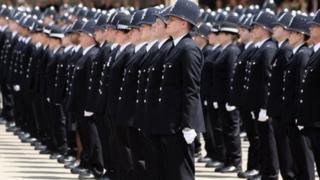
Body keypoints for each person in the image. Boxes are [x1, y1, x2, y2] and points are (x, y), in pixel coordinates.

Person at [148, 0, 205, 179]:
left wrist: (189, 124)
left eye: (171, 19)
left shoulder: (188, 49)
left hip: (179, 124)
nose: (167, 23)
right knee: (168, 171)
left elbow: (191, 89)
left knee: (181, 173)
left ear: (183, 23)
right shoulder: (174, 47)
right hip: (168, 121)